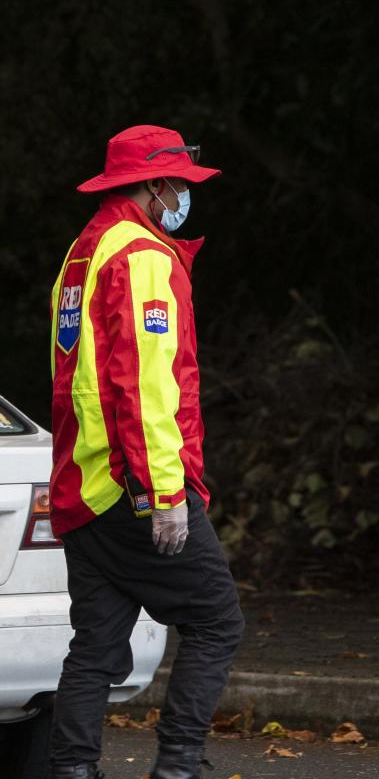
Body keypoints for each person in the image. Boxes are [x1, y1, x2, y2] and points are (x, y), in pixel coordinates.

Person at [47, 125, 244, 779]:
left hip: (83, 486)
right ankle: (178, 767)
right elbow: (144, 385)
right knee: (217, 622)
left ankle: (72, 771)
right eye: (180, 185)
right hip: (134, 486)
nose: (185, 197)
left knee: (95, 650)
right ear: (156, 185)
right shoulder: (142, 257)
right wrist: (164, 494)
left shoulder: (83, 253)